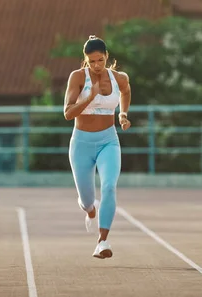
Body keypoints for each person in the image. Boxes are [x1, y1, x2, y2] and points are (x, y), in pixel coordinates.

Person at [63, 35, 132, 259]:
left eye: (100, 60)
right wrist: (89, 97)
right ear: (86, 60)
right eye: (91, 61)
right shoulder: (77, 78)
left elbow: (126, 91)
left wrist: (122, 114)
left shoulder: (118, 78)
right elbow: (67, 113)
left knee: (110, 187)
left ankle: (102, 241)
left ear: (106, 57)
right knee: (86, 199)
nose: (96, 66)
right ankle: (90, 210)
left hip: (108, 142)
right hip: (81, 143)